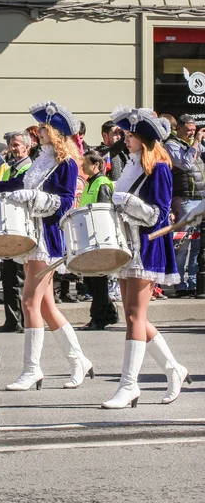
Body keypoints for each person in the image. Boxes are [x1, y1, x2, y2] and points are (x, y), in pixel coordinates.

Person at [0, 101, 93, 391]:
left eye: (45, 127)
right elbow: (19, 185)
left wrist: (32, 199)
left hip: (47, 238)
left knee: (29, 302)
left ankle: (32, 369)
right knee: (46, 306)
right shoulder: (41, 158)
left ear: (57, 132)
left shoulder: (68, 163)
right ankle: (79, 361)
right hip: (32, 235)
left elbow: (63, 202)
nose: (39, 131)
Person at [102, 107, 189, 408]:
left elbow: (159, 214)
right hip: (129, 243)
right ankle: (173, 368)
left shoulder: (160, 168)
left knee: (134, 316)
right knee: (133, 316)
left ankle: (129, 386)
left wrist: (125, 200)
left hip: (147, 246)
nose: (125, 139)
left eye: (129, 135)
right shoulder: (133, 164)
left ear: (144, 138)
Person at [0, 131, 33, 333]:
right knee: (9, 275)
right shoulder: (10, 167)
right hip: (8, 224)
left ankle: (21, 319)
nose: (13, 148)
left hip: (20, 225)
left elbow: (17, 186)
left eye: (17, 145)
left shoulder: (28, 167)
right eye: (11, 145)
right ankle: (12, 319)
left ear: (27, 147)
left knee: (17, 276)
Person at [76, 150, 119, 331]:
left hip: (98, 238)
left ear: (96, 165)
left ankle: (98, 318)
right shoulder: (90, 183)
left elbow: (103, 211)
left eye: (86, 163)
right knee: (90, 279)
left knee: (97, 280)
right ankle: (109, 313)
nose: (83, 166)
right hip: (88, 236)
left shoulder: (102, 184)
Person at [164, 114, 205, 298]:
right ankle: (179, 283)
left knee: (196, 244)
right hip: (185, 199)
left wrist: (197, 143)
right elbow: (186, 164)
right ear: (178, 128)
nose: (191, 132)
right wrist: (195, 142)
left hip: (199, 197)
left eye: (194, 130)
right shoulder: (172, 145)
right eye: (188, 129)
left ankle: (193, 283)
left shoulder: (192, 144)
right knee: (183, 242)